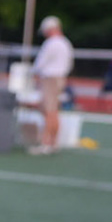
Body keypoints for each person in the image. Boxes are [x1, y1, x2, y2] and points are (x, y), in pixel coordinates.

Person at [31, 16, 73, 154]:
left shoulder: (51, 43)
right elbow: (69, 64)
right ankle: (53, 142)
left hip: (50, 78)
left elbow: (40, 63)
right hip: (59, 78)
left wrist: (34, 74)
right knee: (54, 111)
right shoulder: (65, 43)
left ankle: (46, 143)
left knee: (49, 111)